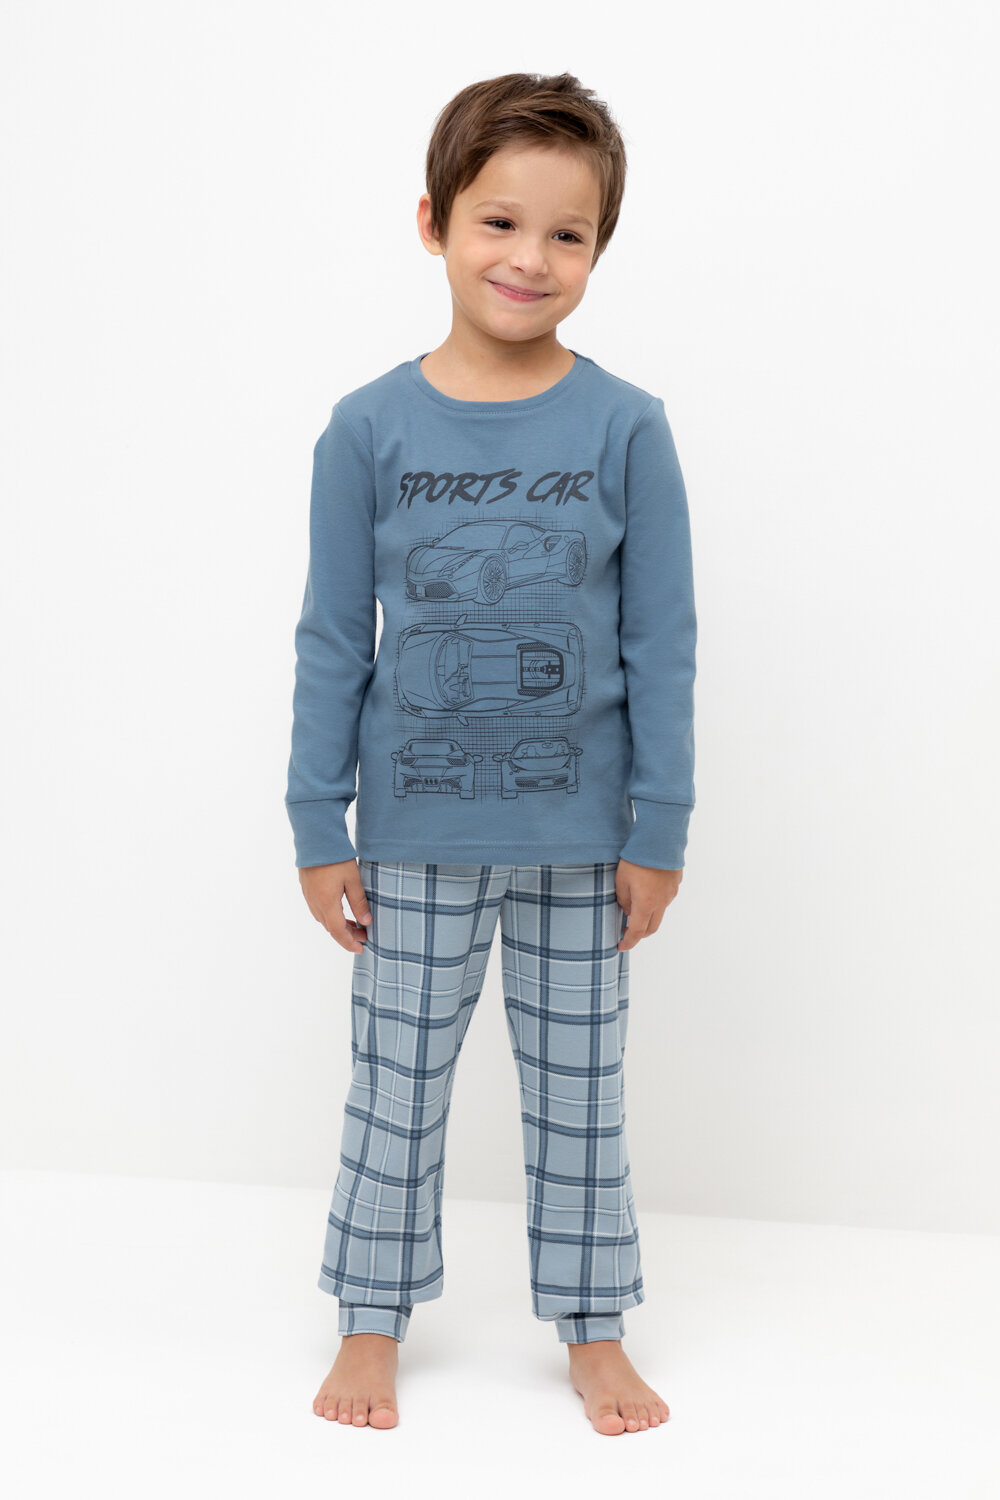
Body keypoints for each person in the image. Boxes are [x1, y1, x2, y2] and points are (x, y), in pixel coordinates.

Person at [285, 71, 696, 1436]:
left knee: (581, 1098)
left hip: (583, 843)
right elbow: (334, 636)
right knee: (396, 1092)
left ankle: (593, 1328)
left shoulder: (627, 426)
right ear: (434, 223)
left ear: (599, 248)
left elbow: (662, 642)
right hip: (413, 838)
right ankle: (370, 1320)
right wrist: (318, 822)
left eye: (567, 234)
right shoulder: (368, 427)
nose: (529, 258)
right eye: (499, 222)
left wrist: (659, 827)